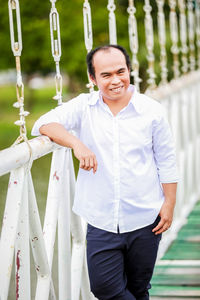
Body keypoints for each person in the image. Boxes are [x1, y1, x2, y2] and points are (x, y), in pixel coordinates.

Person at [32, 44, 178, 300]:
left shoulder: (152, 111)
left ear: (129, 70)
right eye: (106, 75)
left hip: (146, 217)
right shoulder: (83, 107)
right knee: (104, 288)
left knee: (138, 288)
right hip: (102, 221)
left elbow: (166, 160)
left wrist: (169, 204)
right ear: (93, 78)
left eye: (120, 72)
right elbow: (42, 123)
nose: (116, 80)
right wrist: (77, 143)